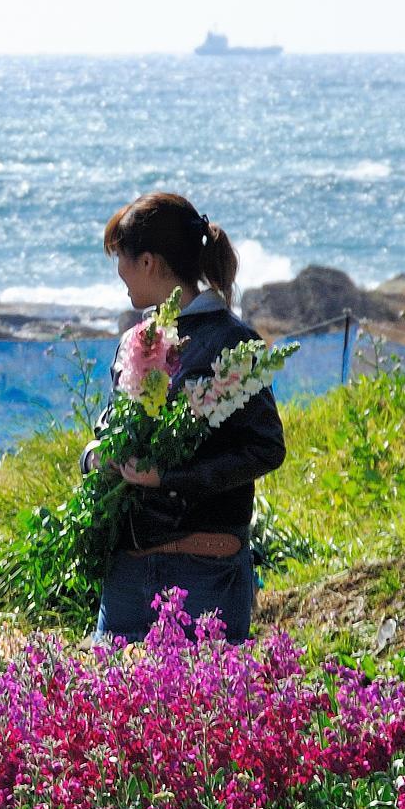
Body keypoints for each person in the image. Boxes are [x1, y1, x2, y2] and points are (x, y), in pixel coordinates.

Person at [87, 191, 286, 642]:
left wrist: (170, 476)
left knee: (209, 711)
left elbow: (266, 447)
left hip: (205, 570)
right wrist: (95, 457)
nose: (118, 273)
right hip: (129, 572)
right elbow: (109, 428)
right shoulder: (134, 340)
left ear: (148, 263)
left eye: (121, 258)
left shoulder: (233, 342)